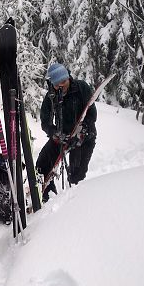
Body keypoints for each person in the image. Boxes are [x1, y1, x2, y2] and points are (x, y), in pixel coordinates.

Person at [36, 63, 97, 202]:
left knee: (76, 176)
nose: (62, 85)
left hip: (84, 137)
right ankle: (49, 197)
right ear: (52, 83)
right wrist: (53, 132)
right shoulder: (51, 96)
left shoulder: (81, 88)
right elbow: (45, 121)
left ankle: (74, 205)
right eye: (58, 84)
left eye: (64, 81)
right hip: (62, 136)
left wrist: (83, 132)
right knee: (42, 164)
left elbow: (92, 115)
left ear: (68, 77)